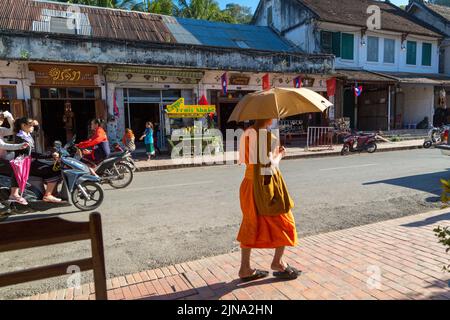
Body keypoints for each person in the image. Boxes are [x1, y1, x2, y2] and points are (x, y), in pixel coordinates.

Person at [237, 119, 300, 282]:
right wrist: (279, 156)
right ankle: (278, 262)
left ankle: (245, 268)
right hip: (265, 186)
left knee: (250, 223)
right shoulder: (266, 136)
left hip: (248, 184)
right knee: (286, 221)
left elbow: (247, 161)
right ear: (267, 115)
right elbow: (268, 167)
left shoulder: (247, 133)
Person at [11, 117, 62, 204]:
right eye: (31, 126)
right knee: (54, 170)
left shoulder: (26, 134)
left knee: (54, 166)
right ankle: (48, 195)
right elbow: (31, 154)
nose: (32, 128)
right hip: (25, 165)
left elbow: (36, 131)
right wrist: (49, 155)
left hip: (30, 162)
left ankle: (52, 192)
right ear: (23, 125)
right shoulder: (21, 138)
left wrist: (36, 125)